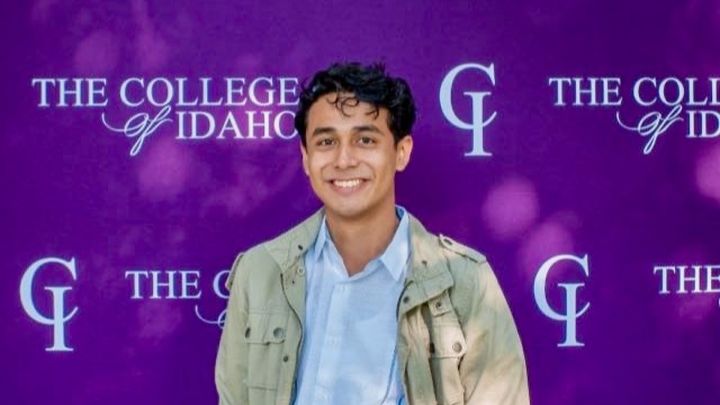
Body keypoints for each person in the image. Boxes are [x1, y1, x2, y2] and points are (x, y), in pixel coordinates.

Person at [215, 62, 529, 405]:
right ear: (305, 157)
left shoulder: (465, 282)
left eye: (365, 140)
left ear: (401, 152)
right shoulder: (261, 272)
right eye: (326, 141)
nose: (344, 160)